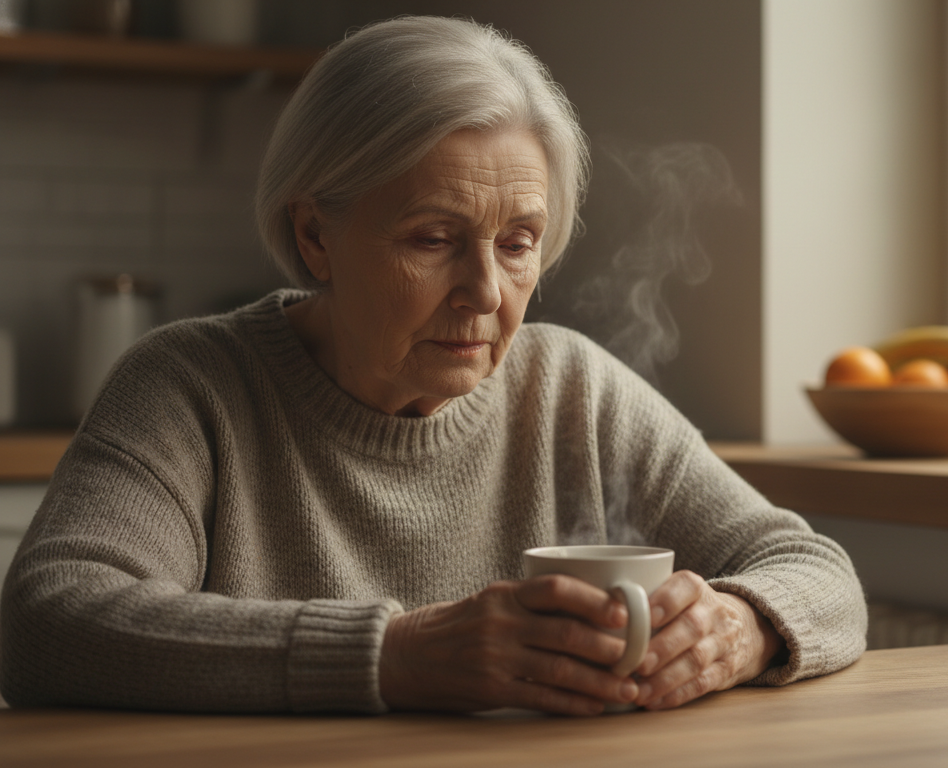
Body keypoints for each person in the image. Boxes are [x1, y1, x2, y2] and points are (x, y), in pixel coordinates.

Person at [0, 16, 866, 715]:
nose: (485, 292)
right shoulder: (191, 386)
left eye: (517, 243)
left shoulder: (573, 389)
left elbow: (815, 570)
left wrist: (738, 629)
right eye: (432, 238)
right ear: (316, 235)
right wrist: (396, 656)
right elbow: (45, 623)